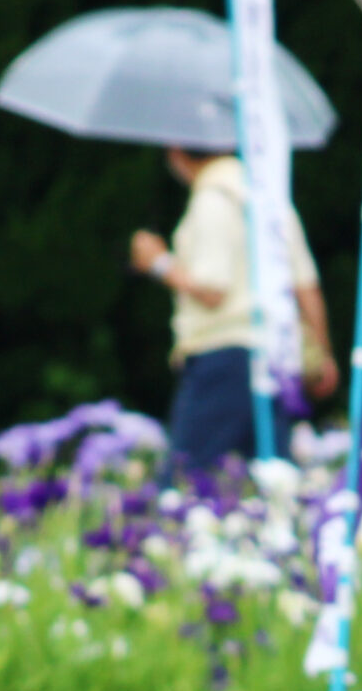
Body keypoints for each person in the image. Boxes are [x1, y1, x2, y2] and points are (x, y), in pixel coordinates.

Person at [129, 146, 339, 471]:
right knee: (272, 485)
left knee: (186, 483)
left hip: (224, 359)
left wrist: (159, 264)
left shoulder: (214, 198)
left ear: (176, 153)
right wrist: (323, 356)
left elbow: (213, 290)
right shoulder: (270, 197)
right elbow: (307, 288)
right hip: (275, 359)